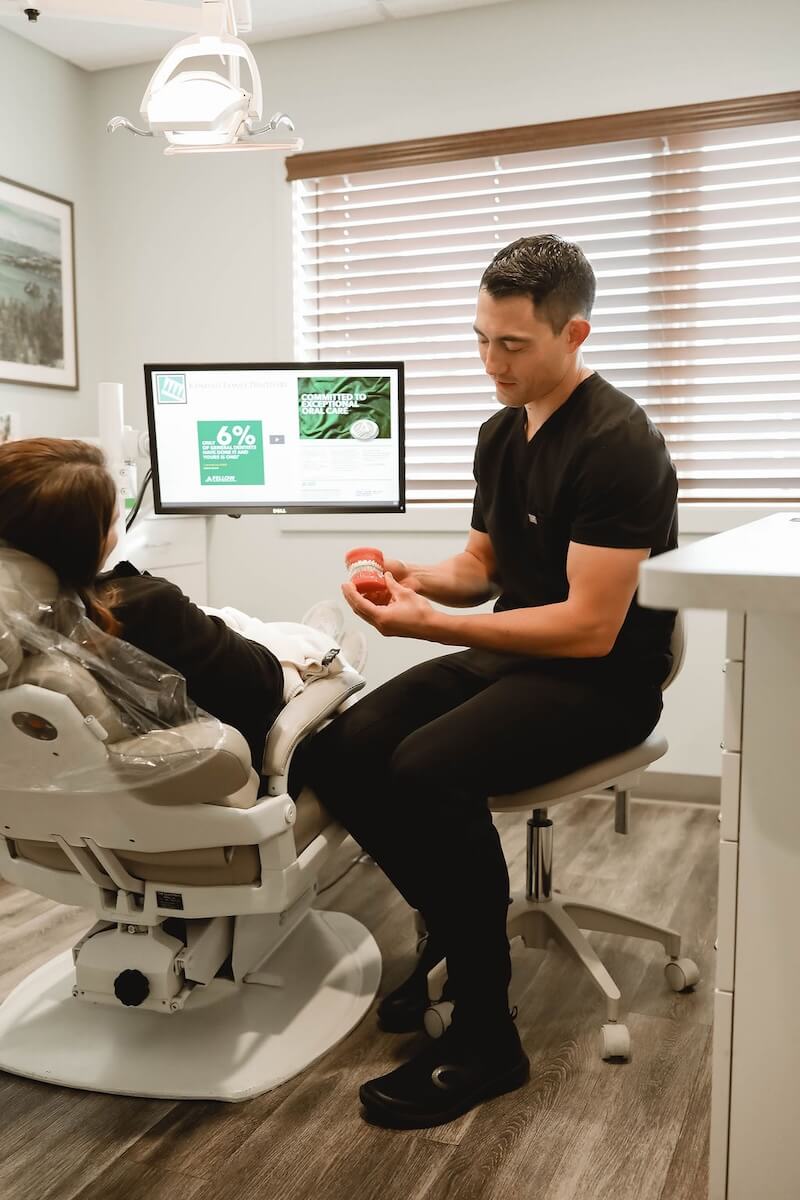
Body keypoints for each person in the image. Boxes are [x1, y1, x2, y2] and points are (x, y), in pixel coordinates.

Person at [296, 234, 678, 1130]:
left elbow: (590, 625)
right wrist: (418, 578)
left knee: (429, 769)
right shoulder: (501, 432)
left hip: (604, 676)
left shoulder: (620, 443)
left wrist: (428, 624)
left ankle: (485, 1038)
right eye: (480, 339)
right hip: (517, 652)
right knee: (339, 751)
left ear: (573, 333)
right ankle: (463, 939)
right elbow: (484, 562)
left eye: (513, 345)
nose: (490, 362)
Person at [0, 437, 315, 777]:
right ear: (82, 541)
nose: (116, 534)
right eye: (111, 523)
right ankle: (317, 649)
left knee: (230, 623)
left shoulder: (29, 628)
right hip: (235, 762)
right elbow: (264, 684)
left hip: (75, 797)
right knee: (311, 660)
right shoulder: (145, 606)